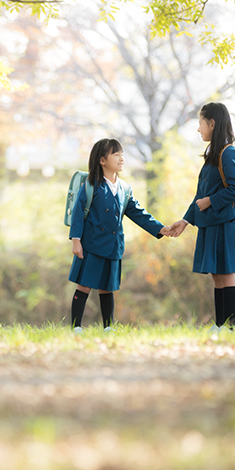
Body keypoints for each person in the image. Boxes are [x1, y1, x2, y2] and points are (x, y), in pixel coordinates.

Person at [69, 138, 174, 333]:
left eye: (122, 154)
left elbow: (138, 213)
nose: (121, 158)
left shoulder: (125, 188)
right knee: (84, 286)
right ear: (102, 160)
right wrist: (76, 241)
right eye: (116, 154)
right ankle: (76, 327)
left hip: (113, 245)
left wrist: (160, 228)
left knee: (107, 288)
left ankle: (108, 327)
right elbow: (77, 214)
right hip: (91, 244)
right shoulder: (90, 185)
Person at [168, 102, 235, 332]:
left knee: (227, 273)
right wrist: (185, 220)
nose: (198, 129)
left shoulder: (228, 152)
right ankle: (219, 324)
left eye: (200, 123)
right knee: (216, 275)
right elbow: (200, 194)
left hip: (225, 223)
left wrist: (211, 201)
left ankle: (229, 327)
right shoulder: (213, 153)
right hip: (211, 223)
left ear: (212, 123)